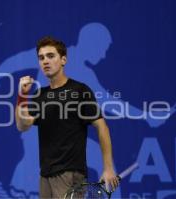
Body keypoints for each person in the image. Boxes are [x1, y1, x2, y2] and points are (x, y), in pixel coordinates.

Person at [15, 36, 119, 198]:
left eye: (51, 56)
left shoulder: (79, 90)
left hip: (70, 174)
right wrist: (22, 95)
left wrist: (108, 168)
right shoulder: (39, 95)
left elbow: (102, 127)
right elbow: (23, 125)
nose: (45, 61)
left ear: (63, 60)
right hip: (45, 175)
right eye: (41, 58)